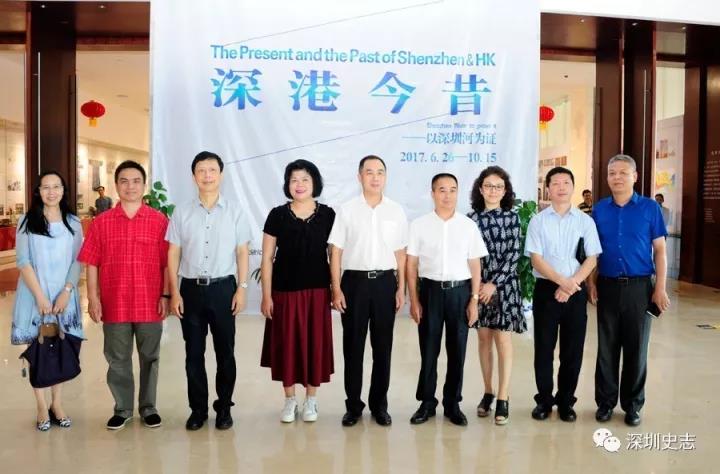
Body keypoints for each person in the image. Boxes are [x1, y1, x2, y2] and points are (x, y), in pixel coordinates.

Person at [78, 160, 169, 431]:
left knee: (150, 357)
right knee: (117, 359)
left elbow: (167, 263)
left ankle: (149, 407)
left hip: (149, 302)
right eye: (124, 181)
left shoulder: (159, 221)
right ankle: (123, 409)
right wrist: (93, 298)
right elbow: (91, 262)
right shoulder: (102, 222)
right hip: (114, 302)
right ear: (116, 185)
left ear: (144, 185)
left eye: (136, 181)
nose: (130, 186)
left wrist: (165, 296)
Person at [167, 151, 251, 431]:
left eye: (212, 170)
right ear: (194, 176)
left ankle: (224, 408)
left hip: (223, 288)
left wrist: (242, 288)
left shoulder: (235, 211)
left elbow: (242, 252)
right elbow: (173, 253)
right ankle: (198, 410)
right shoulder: (182, 211)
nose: (207, 175)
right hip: (190, 290)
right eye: (201, 170)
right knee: (193, 354)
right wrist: (175, 292)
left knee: (225, 352)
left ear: (221, 175)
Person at [590, 155, 670, 427]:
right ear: (607, 177)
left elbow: (660, 251)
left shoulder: (650, 208)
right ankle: (605, 403)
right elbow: (593, 252)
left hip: (639, 287)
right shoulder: (600, 210)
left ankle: (633, 406)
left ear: (635, 177)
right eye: (612, 172)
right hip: (608, 285)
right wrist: (591, 282)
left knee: (637, 349)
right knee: (606, 348)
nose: (617, 177)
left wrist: (660, 288)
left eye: (623, 173)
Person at [328, 155, 408, 427]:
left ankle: (379, 406)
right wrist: (336, 288)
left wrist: (401, 288)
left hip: (385, 283)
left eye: (380, 172)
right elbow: (336, 252)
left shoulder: (396, 211)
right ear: (359, 176)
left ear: (386, 177)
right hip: (354, 284)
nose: (375, 177)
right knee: (353, 348)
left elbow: (401, 253)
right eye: (369, 172)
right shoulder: (347, 210)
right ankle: (353, 406)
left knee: (383, 348)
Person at [406, 173, 485, 426]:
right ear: (432, 193)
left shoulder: (468, 226)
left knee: (457, 351)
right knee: (428, 350)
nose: (447, 195)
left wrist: (474, 300)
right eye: (442, 190)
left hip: (460, 293)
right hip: (430, 292)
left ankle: (453, 403)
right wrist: (414, 300)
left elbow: (475, 265)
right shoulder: (419, 225)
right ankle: (426, 402)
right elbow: (411, 265)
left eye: (452, 190)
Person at [260, 159, 336, 423]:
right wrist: (266, 295)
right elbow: (267, 258)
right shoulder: (277, 215)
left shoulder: (328, 215)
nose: (299, 184)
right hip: (284, 292)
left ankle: (311, 400)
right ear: (287, 184)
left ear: (314, 183)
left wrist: (336, 289)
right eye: (294, 180)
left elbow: (334, 257)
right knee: (287, 346)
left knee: (315, 345)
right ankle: (290, 399)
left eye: (305, 179)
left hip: (317, 292)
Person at [525, 166, 602, 422]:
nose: (560, 187)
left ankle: (566, 401)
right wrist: (561, 282)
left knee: (572, 350)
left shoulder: (585, 221)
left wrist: (571, 285)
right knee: (543, 349)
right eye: (555, 183)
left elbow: (592, 258)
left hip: (575, 291)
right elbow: (536, 259)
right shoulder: (538, 221)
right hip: (546, 290)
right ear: (547, 188)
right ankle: (544, 401)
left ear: (572, 186)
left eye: (565, 182)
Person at [11, 171, 83, 431]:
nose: (51, 192)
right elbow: (23, 261)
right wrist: (40, 297)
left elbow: (78, 260)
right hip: (34, 297)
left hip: (64, 297)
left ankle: (57, 403)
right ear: (38, 191)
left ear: (63, 190)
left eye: (56, 187)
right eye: (45, 187)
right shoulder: (26, 221)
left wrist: (66, 291)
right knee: (39, 350)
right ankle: (41, 406)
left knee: (61, 348)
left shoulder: (73, 222)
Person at [467, 166, 526, 425]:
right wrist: (480, 285)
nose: (493, 191)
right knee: (483, 339)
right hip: (479, 286)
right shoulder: (470, 219)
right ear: (481, 189)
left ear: (505, 191)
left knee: (503, 340)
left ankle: (503, 396)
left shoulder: (513, 218)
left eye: (499, 187)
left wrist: (494, 284)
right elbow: (468, 255)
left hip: (505, 287)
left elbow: (514, 256)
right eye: (489, 186)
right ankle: (488, 391)